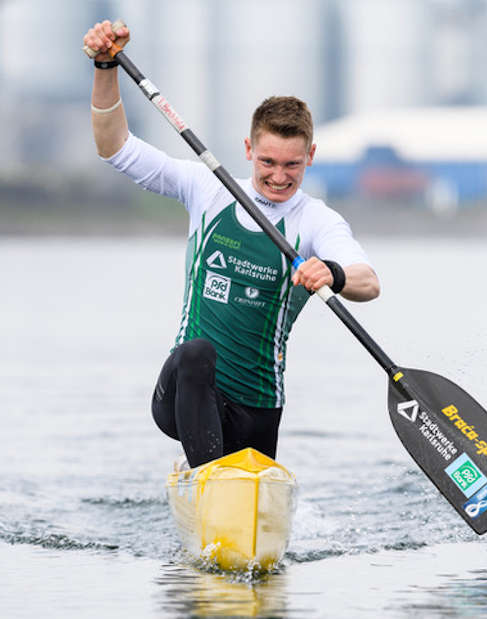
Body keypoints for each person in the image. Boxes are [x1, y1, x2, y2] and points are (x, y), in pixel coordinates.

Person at [84, 21, 380, 468]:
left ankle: (221, 486)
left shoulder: (317, 221)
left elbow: (369, 282)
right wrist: (106, 66)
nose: (279, 176)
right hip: (184, 395)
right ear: (248, 149)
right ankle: (210, 482)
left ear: (311, 158)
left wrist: (332, 273)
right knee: (197, 352)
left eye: (292, 165)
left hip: (258, 410)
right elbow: (116, 148)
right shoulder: (208, 188)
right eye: (267, 162)